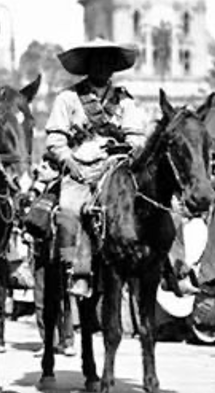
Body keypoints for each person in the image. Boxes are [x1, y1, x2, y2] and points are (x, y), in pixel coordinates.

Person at [44, 38, 147, 298]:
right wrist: (68, 161)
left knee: (156, 206)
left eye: (108, 61)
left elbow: (136, 137)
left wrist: (130, 150)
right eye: (97, 61)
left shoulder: (125, 100)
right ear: (88, 65)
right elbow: (55, 139)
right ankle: (79, 272)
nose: (103, 66)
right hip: (81, 167)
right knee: (70, 210)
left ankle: (171, 269)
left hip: (117, 167)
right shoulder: (68, 98)